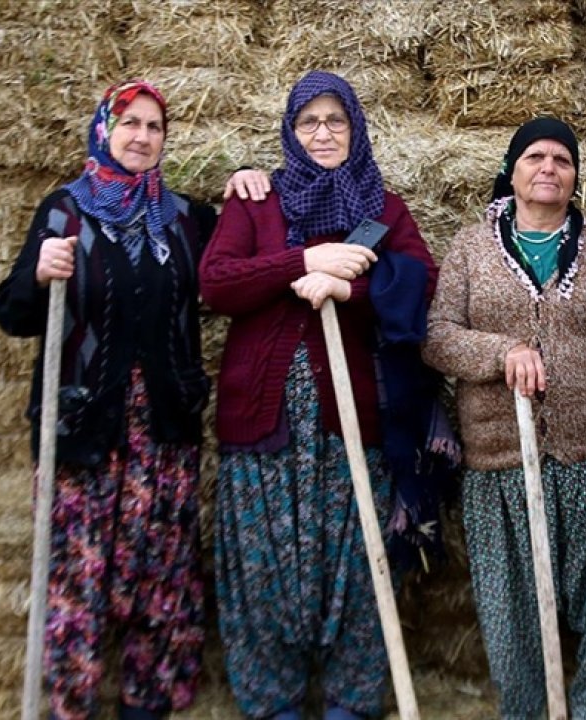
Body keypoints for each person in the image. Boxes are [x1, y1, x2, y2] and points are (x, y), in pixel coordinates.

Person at [199, 70, 439, 720]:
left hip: (349, 425)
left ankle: (349, 704)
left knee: (356, 567)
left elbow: (419, 280)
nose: (324, 132)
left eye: (337, 121)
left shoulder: (383, 209)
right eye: (311, 122)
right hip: (265, 422)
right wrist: (302, 263)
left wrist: (350, 288)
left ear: (356, 128)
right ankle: (273, 702)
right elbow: (217, 283)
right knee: (261, 571)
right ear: (292, 131)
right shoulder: (256, 203)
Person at [0, 79, 214, 720]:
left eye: (154, 127)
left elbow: (238, 262)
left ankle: (148, 700)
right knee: (78, 577)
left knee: (161, 568)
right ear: (104, 131)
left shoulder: (184, 216)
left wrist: (252, 181)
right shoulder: (64, 212)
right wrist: (38, 274)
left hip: (163, 427)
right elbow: (12, 314)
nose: (142, 136)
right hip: (85, 425)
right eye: (130, 124)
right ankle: (73, 701)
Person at [422, 117, 586, 720]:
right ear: (512, 170)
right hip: (500, 461)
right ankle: (523, 711)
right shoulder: (471, 246)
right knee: (510, 608)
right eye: (535, 157)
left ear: (575, 177)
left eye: (562, 160)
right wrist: (501, 353)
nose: (549, 168)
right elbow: (437, 336)